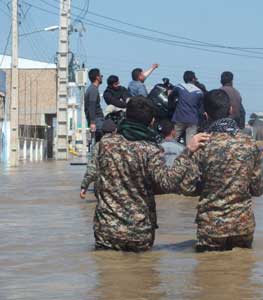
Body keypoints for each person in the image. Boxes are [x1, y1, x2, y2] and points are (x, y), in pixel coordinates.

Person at [86, 96, 209, 252]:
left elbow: (94, 177)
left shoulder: (104, 144)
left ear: (126, 116)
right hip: (138, 233)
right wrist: (188, 151)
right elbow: (168, 183)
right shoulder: (151, 150)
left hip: (105, 231)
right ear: (151, 122)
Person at [179, 89, 263, 252]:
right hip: (243, 226)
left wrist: (207, 187)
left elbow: (186, 187)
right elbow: (258, 189)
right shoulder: (250, 144)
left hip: (211, 228)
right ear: (231, 110)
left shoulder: (201, 145)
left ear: (205, 115)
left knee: (209, 275)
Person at [80, 119, 118, 199]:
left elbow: (92, 169)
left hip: (103, 190)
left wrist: (84, 187)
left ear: (103, 132)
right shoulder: (124, 145)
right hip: (122, 190)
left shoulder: (98, 146)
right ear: (115, 131)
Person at [169, 70, 204, 143]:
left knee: (172, 141)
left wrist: (171, 105)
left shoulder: (179, 87)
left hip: (179, 118)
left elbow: (171, 96)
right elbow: (200, 108)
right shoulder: (199, 92)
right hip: (192, 120)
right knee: (190, 144)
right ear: (193, 79)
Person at [85, 68, 105, 142]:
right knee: (100, 141)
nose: (102, 77)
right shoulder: (93, 90)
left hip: (96, 120)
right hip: (97, 120)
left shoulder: (91, 89)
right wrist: (93, 123)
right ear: (97, 77)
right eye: (101, 76)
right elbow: (92, 106)